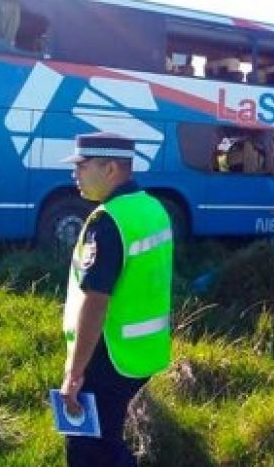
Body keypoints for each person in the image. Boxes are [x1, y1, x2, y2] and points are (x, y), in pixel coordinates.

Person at [60, 132, 173, 466]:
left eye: (82, 166)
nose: (74, 174)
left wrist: (74, 373)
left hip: (107, 355)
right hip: (143, 353)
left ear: (110, 169)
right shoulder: (153, 208)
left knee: (87, 449)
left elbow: (95, 302)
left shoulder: (108, 221)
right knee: (109, 439)